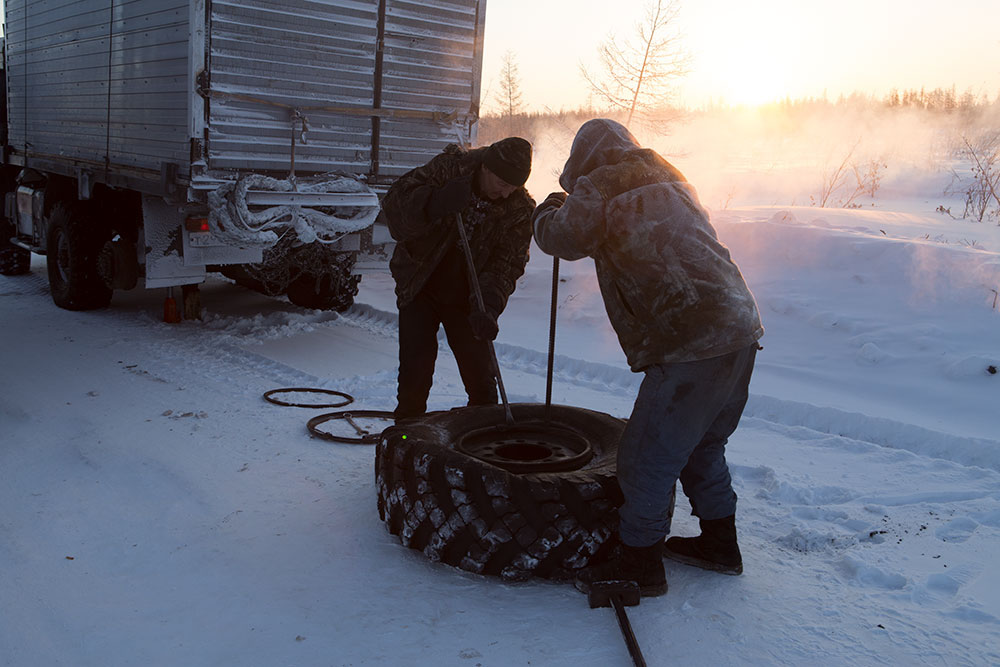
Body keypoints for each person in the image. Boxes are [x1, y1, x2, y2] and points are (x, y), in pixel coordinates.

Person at [531, 119, 763, 597]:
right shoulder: (669, 175)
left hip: (690, 339)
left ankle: (639, 564)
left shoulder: (600, 184)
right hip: (739, 326)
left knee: (645, 458)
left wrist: (549, 209)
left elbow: (563, 238)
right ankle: (721, 545)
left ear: (585, 159)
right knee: (702, 445)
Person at [381, 137, 535, 421]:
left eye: (513, 188)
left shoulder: (519, 209)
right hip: (420, 283)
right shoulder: (449, 170)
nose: (504, 194)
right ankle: (405, 437)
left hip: (469, 296)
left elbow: (507, 262)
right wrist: (433, 202)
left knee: (481, 378)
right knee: (415, 369)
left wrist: (489, 303)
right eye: (502, 184)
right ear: (487, 168)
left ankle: (482, 441)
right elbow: (393, 208)